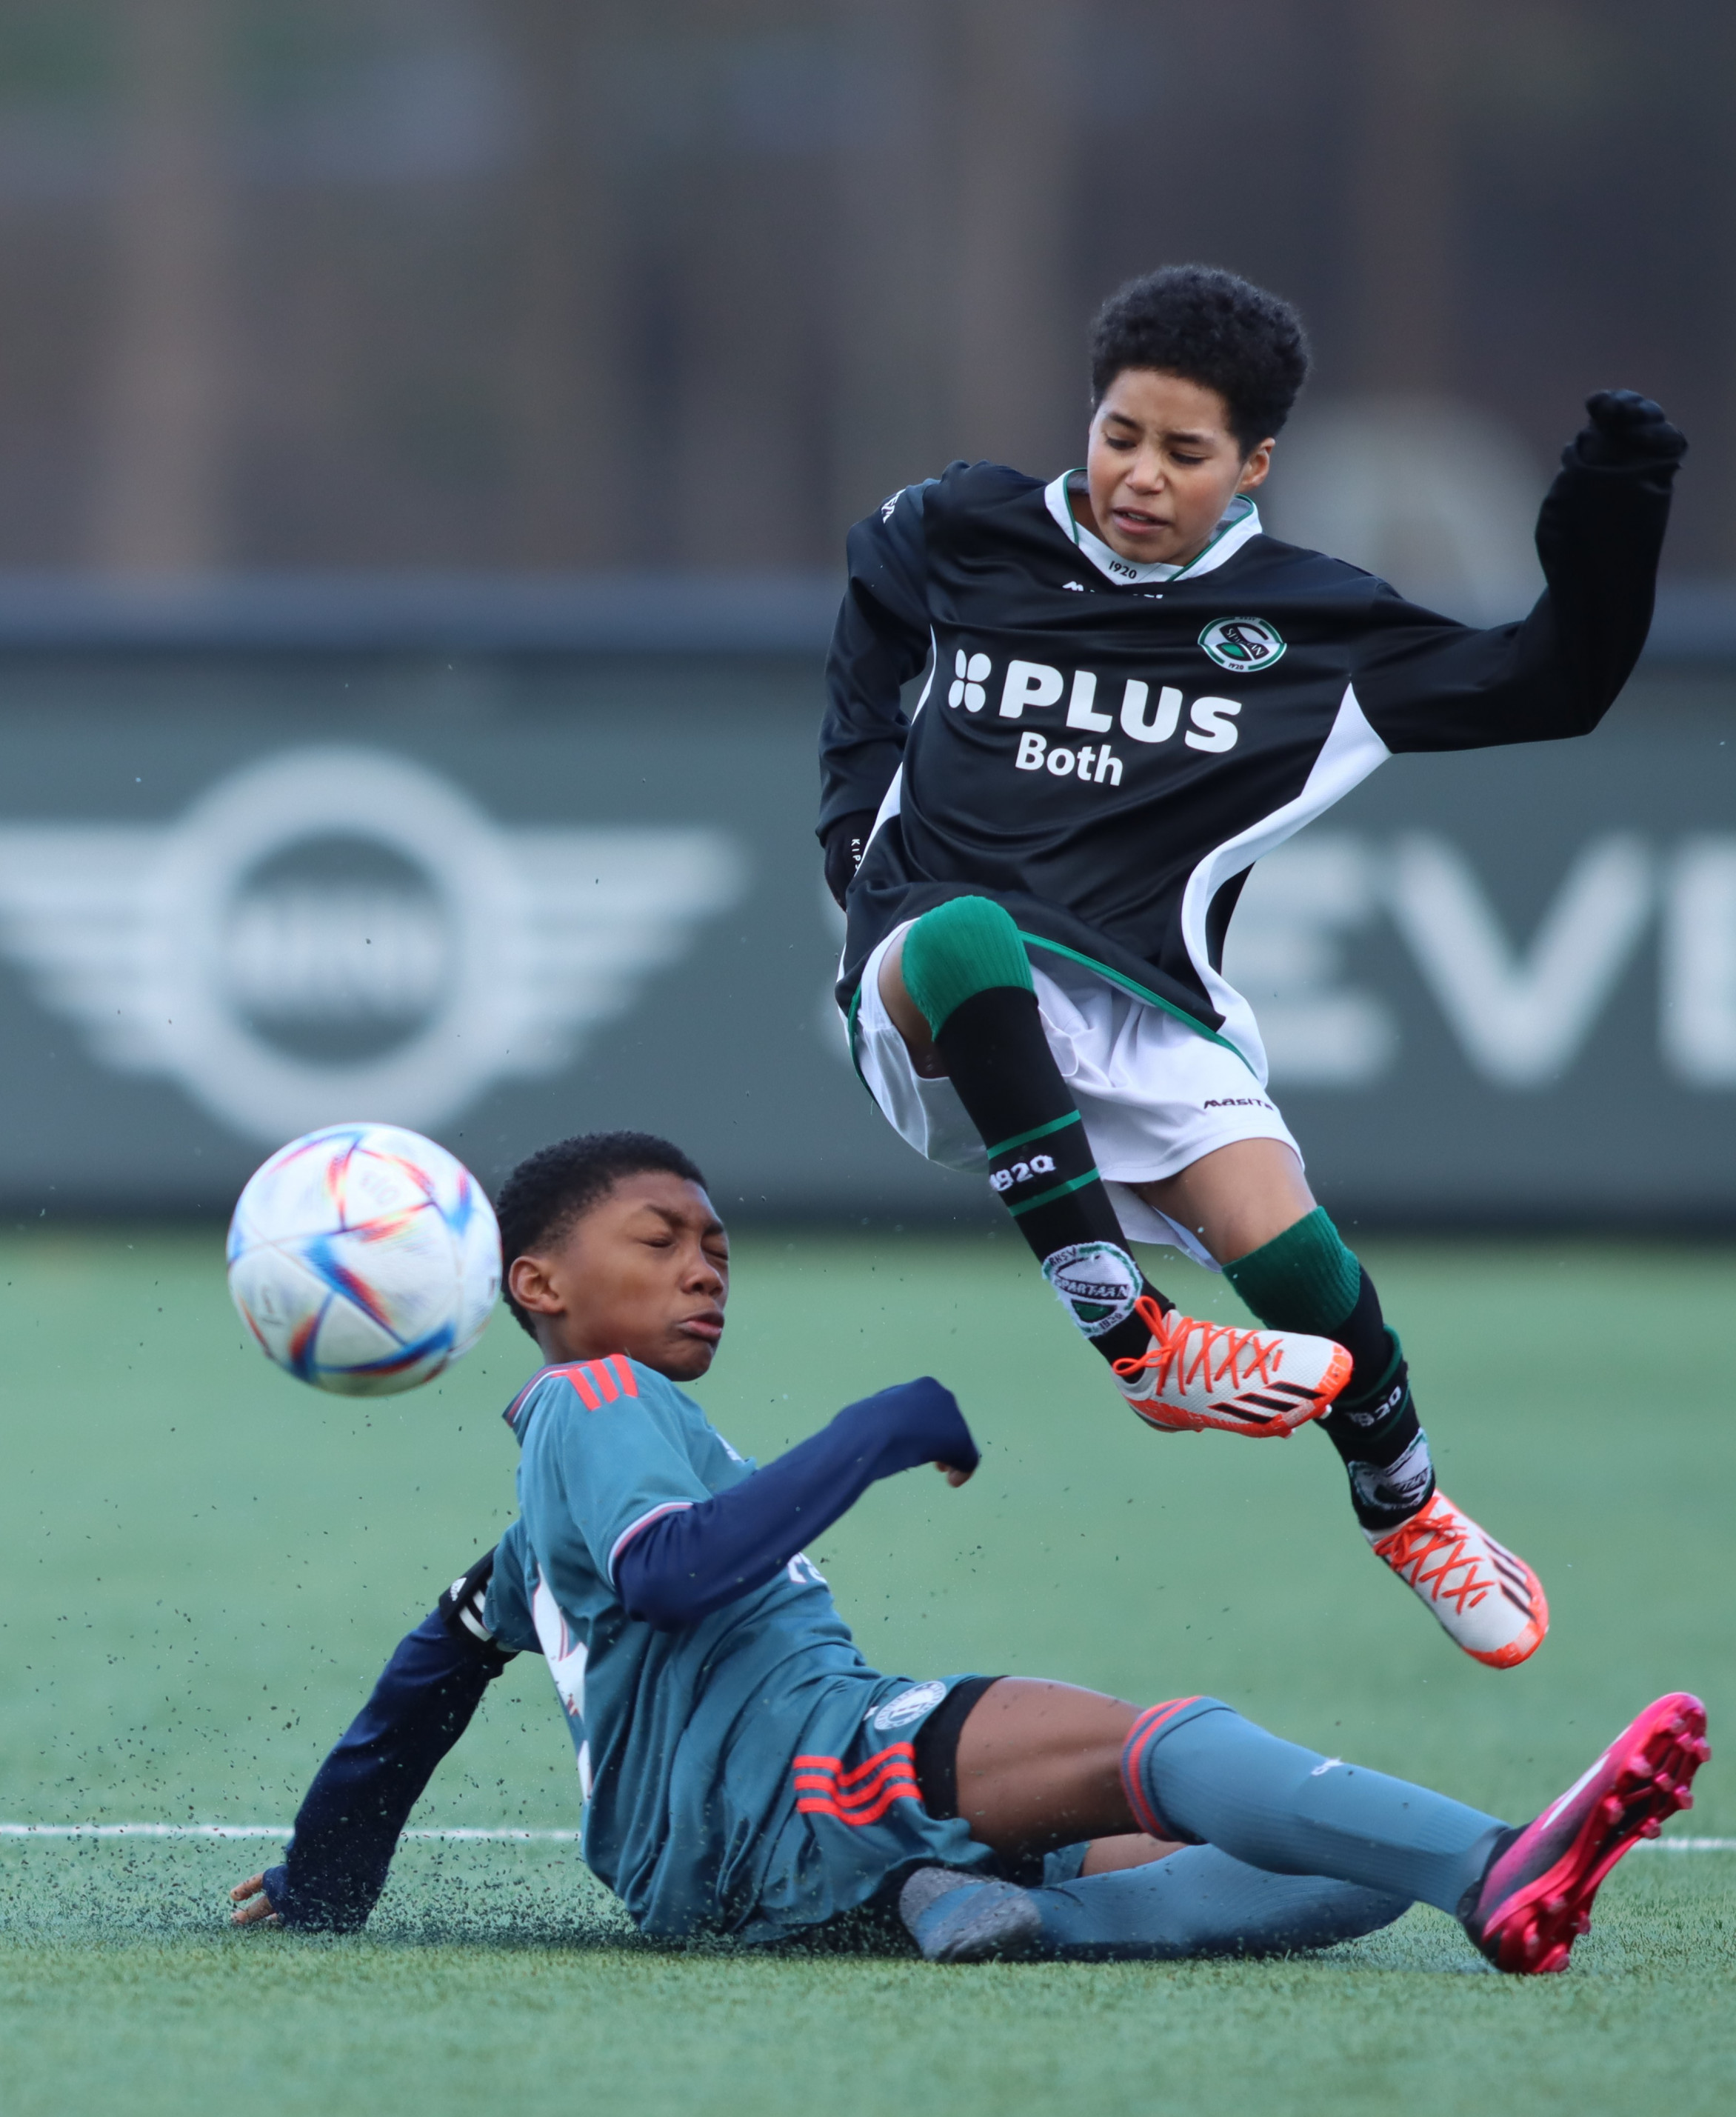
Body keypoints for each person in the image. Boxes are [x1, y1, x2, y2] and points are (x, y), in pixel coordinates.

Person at [229, 1133, 1705, 1970]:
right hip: (805, 1772)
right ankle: (1493, 1864)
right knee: (1164, 1740)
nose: (702, 1264)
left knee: (1319, 1870)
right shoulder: (595, 1400)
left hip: (757, 1839)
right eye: (661, 1238)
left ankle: (969, 1905)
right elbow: (680, 1569)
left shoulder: (565, 1495)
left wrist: (326, 1875)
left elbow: (438, 1658)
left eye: (718, 1248)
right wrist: (877, 1430)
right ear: (535, 1282)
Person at [815, 264, 1686, 1667]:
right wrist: (851, 823)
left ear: (1256, 463)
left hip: (1145, 1004)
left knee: (1299, 1268)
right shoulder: (969, 524)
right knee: (972, 932)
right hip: (937, 978)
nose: (1138, 475)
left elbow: (1556, 681)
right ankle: (1137, 1336)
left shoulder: (1313, 626)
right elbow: (875, 588)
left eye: (1184, 451)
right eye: (1117, 433)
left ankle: (1405, 1502)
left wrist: (1613, 503)